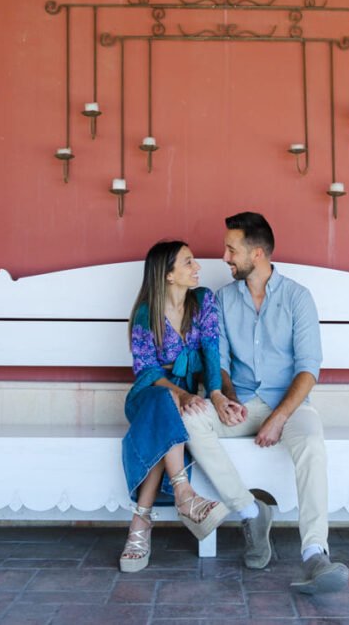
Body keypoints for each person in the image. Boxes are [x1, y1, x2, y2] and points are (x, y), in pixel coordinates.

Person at [182, 212, 349, 594]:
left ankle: (314, 554)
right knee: (191, 421)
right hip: (241, 405)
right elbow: (219, 362)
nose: (224, 257)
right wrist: (223, 396)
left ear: (256, 254)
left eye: (231, 249)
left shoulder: (297, 298)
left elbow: (308, 370)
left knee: (311, 441)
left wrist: (279, 417)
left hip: (289, 407)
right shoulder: (223, 300)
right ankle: (250, 511)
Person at [119, 240, 229, 573]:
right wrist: (179, 395)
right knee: (166, 405)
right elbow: (147, 370)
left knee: (165, 425)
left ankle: (141, 523)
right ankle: (185, 494)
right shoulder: (145, 313)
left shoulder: (203, 300)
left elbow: (211, 349)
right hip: (149, 394)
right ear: (168, 275)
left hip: (185, 397)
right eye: (188, 262)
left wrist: (216, 392)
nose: (197, 268)